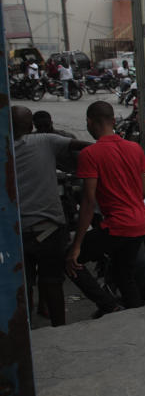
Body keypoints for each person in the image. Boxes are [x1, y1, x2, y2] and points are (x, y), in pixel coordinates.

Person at [11, 106, 91, 326]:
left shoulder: (5, 148)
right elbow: (84, 146)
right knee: (52, 282)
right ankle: (59, 328)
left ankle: (25, 331)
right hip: (49, 228)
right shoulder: (45, 141)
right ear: (31, 126)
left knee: (23, 285)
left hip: (16, 233)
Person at [65, 101, 145, 309]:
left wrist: (76, 245)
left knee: (70, 261)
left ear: (89, 122)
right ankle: (138, 319)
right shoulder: (135, 148)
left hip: (117, 226)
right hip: (140, 224)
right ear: (113, 121)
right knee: (124, 276)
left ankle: (109, 306)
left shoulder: (90, 154)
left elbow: (88, 201)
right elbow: (143, 191)